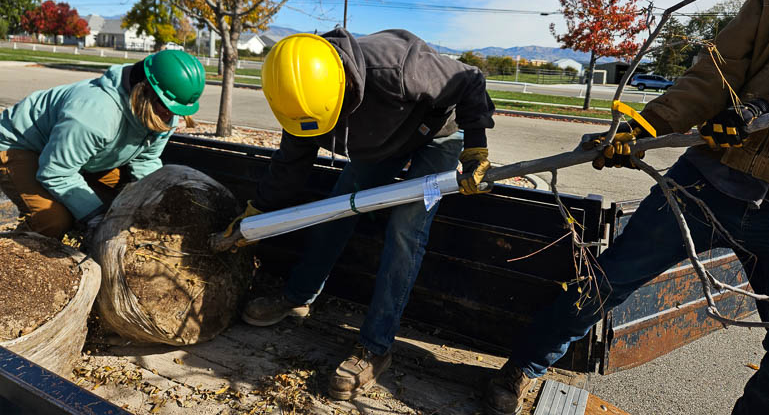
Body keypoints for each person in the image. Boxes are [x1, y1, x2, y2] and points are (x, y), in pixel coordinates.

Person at [483, 0, 769, 415]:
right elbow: (715, 71)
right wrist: (647, 126)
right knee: (606, 281)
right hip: (707, 182)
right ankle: (523, 366)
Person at [240, 28, 495, 400]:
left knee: (406, 229)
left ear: (343, 87)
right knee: (335, 208)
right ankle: (299, 295)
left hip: (437, 132)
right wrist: (257, 211)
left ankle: (376, 346)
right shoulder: (301, 96)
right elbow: (290, 165)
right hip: (382, 141)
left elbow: (470, 79)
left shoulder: (396, 67)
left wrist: (476, 147)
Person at [0, 50, 206, 239]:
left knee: (123, 200)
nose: (173, 115)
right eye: (168, 107)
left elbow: (146, 159)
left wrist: (156, 201)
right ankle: (14, 258)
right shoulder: (95, 115)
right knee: (53, 221)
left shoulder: (162, 113)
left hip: (76, 153)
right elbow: (56, 172)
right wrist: (95, 216)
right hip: (20, 145)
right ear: (144, 90)